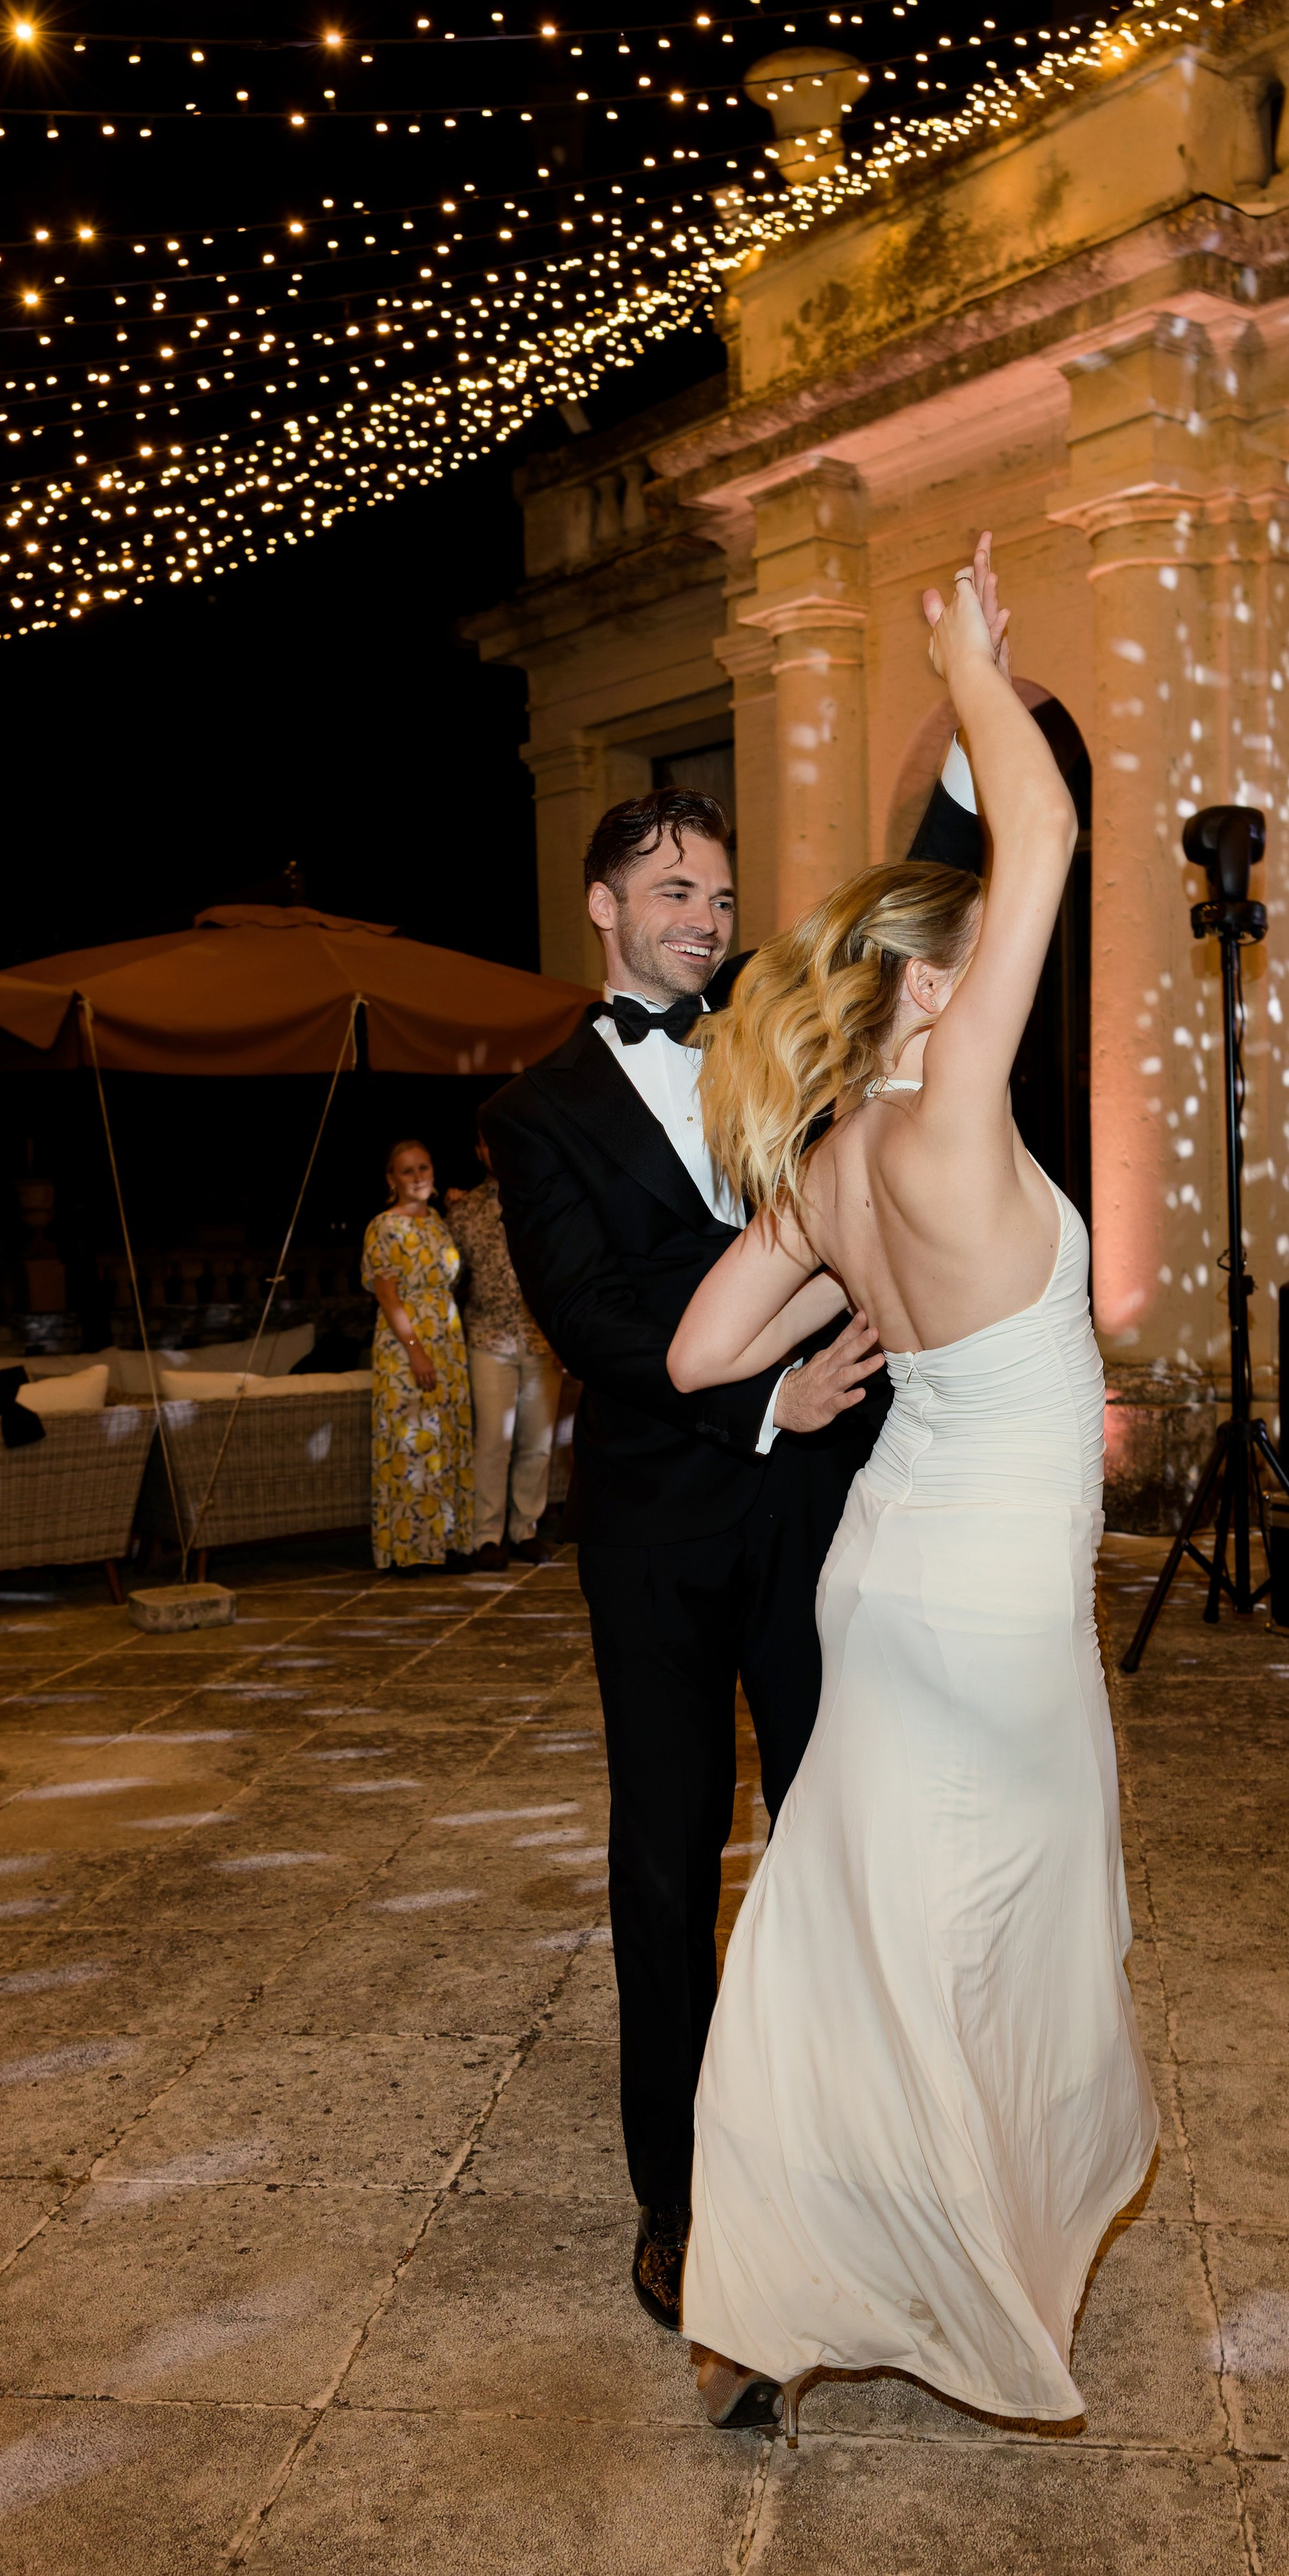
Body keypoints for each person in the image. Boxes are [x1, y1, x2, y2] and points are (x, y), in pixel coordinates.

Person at [668, 533, 1158, 2440]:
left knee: (834, 1929)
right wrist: (967, 667)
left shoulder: (830, 1167)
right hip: (990, 1611)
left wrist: (807, 1370)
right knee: (999, 1951)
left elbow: (703, 1355)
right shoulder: (950, 1131)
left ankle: (759, 2303)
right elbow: (1035, 846)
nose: (986, 966)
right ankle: (952, 2266)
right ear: (924, 995)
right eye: (956, 961)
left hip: (880, 1579)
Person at [480, 788, 888, 2335]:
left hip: (822, 1502)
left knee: (833, 1826)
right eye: (670, 889)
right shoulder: (533, 1115)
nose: (701, 916)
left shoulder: (774, 1046)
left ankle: (841, 2145)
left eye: (717, 894)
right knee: (666, 1861)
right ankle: (680, 2194)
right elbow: (587, 1324)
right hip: (659, 1520)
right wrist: (753, 1406)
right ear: (602, 905)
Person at [447, 1138, 560, 1569]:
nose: (497, 1150)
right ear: (478, 1151)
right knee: (493, 1440)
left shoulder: (541, 1196)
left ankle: (525, 1530)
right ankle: (486, 1536)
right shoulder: (465, 1211)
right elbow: (446, 1273)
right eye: (488, 1144)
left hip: (539, 1338)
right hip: (488, 1339)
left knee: (538, 1443)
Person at [363, 1139, 474, 1574]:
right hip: (406, 1344)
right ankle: (409, 1550)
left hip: (448, 1341)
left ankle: (446, 1542)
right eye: (407, 1171)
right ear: (392, 1180)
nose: (418, 1176)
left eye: (423, 1167)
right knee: (410, 1441)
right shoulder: (384, 1226)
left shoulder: (438, 1223)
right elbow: (386, 1295)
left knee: (445, 1439)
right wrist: (416, 1352)